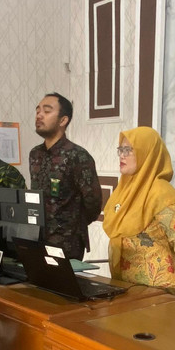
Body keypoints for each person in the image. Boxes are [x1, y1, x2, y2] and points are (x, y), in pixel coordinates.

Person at [103, 127, 175, 295]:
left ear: (147, 153)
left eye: (128, 150)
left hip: (160, 291)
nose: (122, 155)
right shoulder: (124, 191)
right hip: (125, 286)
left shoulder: (163, 194)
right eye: (120, 149)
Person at [29, 92, 100, 259]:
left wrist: (71, 223)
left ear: (63, 120)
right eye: (38, 111)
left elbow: (93, 203)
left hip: (67, 243)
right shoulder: (35, 154)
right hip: (37, 238)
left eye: (47, 111)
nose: (39, 115)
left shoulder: (77, 156)